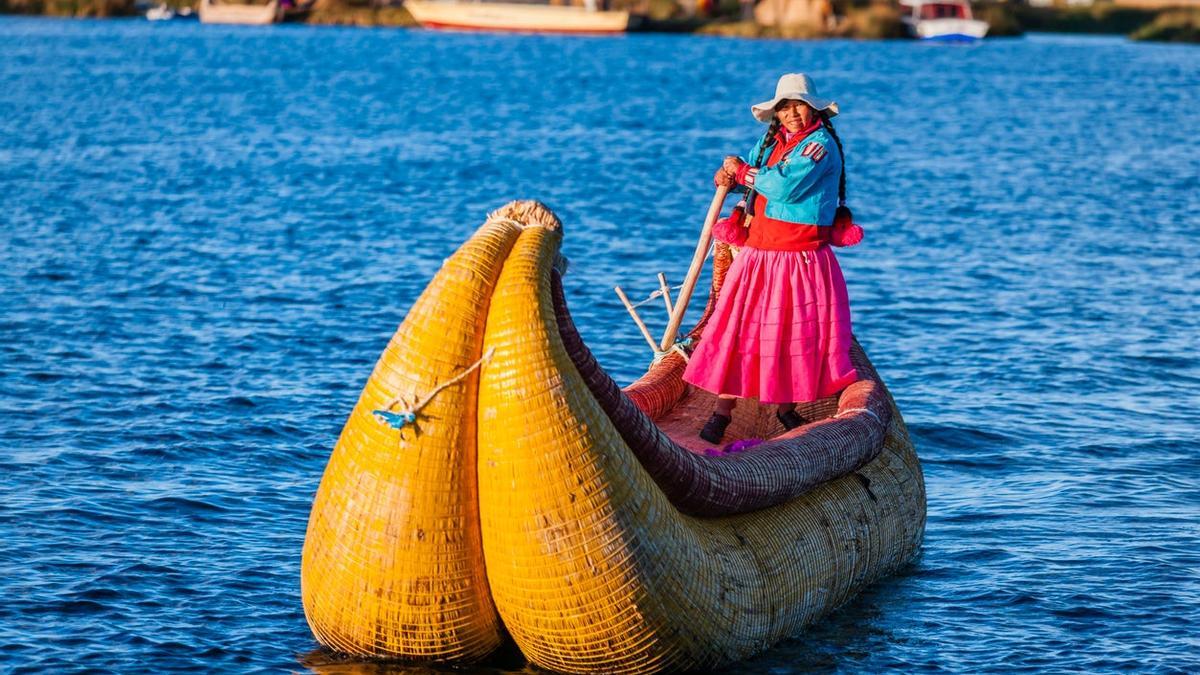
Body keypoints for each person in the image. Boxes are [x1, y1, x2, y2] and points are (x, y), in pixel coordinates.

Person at [682, 73, 862, 444]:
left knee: (791, 335)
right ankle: (722, 412)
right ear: (776, 113)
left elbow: (783, 186)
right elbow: (751, 170)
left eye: (800, 105)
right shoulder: (771, 143)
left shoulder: (819, 146)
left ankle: (785, 409)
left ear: (814, 110)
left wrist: (743, 172)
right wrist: (729, 174)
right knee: (739, 331)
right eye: (785, 107)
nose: (793, 113)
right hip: (759, 255)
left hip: (798, 260)